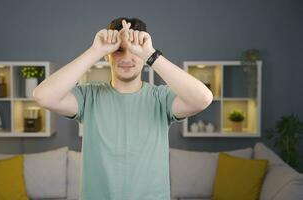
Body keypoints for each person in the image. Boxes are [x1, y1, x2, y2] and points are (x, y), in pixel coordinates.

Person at [33, 17, 213, 200]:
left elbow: (203, 99)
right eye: (119, 50)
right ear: (107, 54)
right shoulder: (88, 97)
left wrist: (150, 54)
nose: (127, 57)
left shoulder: (161, 98)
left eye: (134, 50)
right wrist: (95, 50)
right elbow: (43, 96)